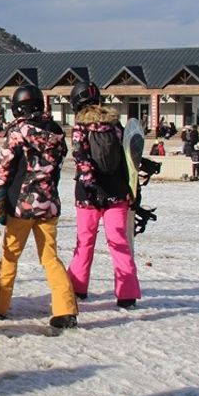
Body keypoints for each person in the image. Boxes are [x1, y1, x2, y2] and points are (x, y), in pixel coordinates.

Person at [0, 84, 78, 329]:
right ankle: (66, 309)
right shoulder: (56, 132)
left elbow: (5, 169)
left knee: (10, 256)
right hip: (49, 204)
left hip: (20, 204)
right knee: (50, 257)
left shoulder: (17, 132)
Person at [65, 83, 140, 309]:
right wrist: (129, 189)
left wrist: (91, 185)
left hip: (88, 195)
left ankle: (77, 287)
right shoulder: (116, 125)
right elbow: (128, 159)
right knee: (119, 242)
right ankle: (127, 293)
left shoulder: (80, 127)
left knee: (85, 242)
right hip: (117, 192)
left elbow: (81, 159)